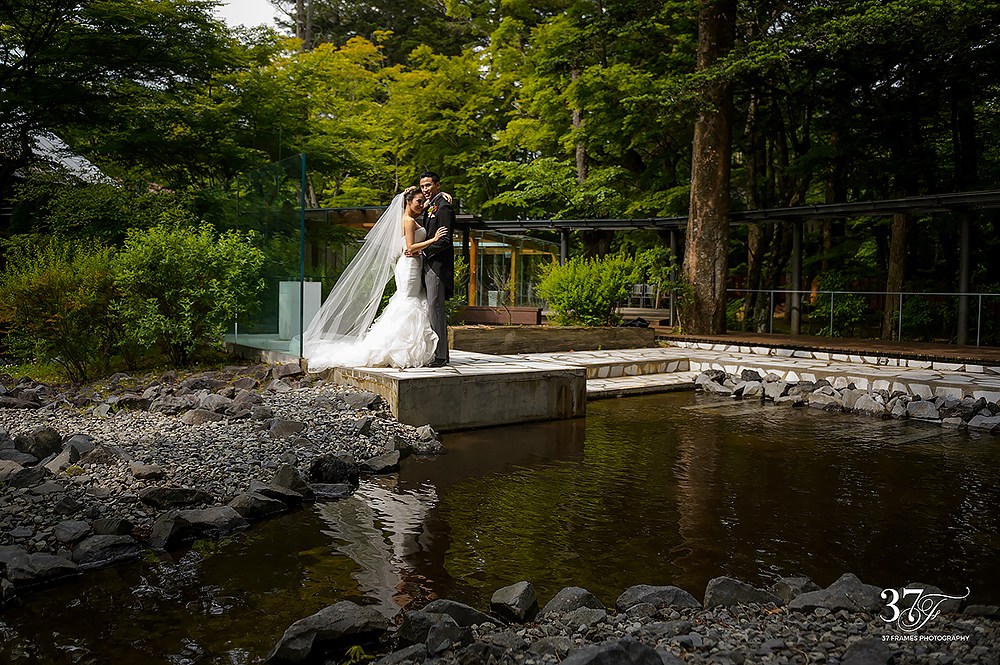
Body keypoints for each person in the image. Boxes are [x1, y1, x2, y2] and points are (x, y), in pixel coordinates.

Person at [302, 187, 446, 370]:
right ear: (408, 202)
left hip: (414, 265)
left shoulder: (412, 216)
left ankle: (403, 347)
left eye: (421, 201)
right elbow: (410, 247)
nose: (421, 205)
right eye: (417, 201)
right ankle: (396, 348)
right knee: (407, 302)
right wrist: (433, 240)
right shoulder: (408, 221)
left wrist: (440, 195)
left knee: (409, 301)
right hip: (409, 267)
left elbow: (427, 204)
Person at [417, 171, 455, 367]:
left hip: (437, 266)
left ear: (438, 185)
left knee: (436, 308)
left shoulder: (444, 207)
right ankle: (432, 351)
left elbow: (446, 240)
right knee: (428, 308)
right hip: (425, 265)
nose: (425, 189)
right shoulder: (429, 205)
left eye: (428, 185)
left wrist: (424, 251)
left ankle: (441, 356)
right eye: (422, 186)